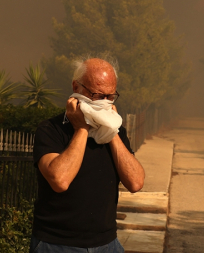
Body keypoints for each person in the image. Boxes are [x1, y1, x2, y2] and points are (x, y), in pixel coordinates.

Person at [30, 57, 145, 253]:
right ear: (76, 87)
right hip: (57, 245)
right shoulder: (51, 129)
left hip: (107, 244)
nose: (105, 102)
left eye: (110, 97)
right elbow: (60, 180)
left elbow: (135, 182)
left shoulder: (115, 132)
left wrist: (111, 130)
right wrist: (81, 129)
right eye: (98, 95)